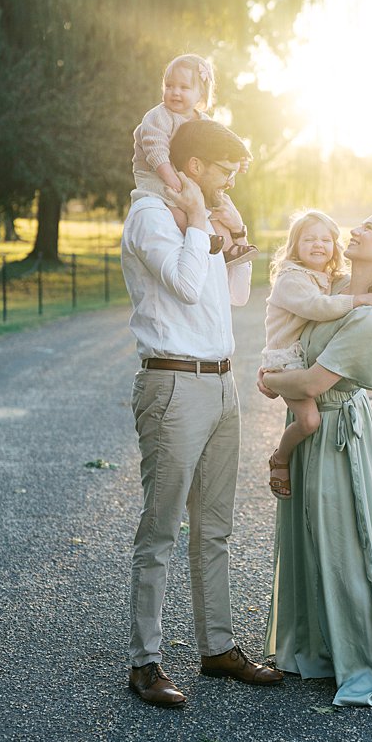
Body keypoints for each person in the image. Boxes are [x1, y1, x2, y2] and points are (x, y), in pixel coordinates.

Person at [122, 118, 282, 708]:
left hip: (221, 386)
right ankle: (145, 663)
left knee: (215, 527)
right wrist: (196, 225)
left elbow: (230, 295)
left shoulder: (203, 220)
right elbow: (187, 286)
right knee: (161, 529)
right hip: (171, 386)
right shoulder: (149, 217)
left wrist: (232, 245)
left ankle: (216, 648)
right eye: (225, 171)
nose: (231, 180)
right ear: (194, 168)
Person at [258, 209, 372, 707]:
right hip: (310, 427)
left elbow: (316, 383)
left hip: (340, 434)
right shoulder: (333, 287)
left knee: (347, 544)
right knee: (309, 538)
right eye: (359, 223)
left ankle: (363, 657)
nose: (355, 229)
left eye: (370, 228)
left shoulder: (368, 314)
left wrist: (269, 380)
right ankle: (319, 649)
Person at [262, 210, 372, 499]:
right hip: (285, 360)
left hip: (298, 356)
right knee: (309, 422)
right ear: (294, 246)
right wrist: (359, 300)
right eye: (309, 239)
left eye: (325, 239)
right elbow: (318, 308)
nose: (318, 245)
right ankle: (280, 457)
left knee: (309, 420)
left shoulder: (325, 277)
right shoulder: (291, 279)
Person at [132, 53, 258, 266]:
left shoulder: (204, 121)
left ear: (201, 93)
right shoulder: (158, 116)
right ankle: (199, 236)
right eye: (169, 86)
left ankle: (229, 248)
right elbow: (156, 150)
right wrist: (173, 180)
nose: (175, 92)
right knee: (174, 202)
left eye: (184, 87)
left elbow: (221, 147)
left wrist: (238, 161)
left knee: (214, 204)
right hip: (154, 173)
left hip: (184, 174)